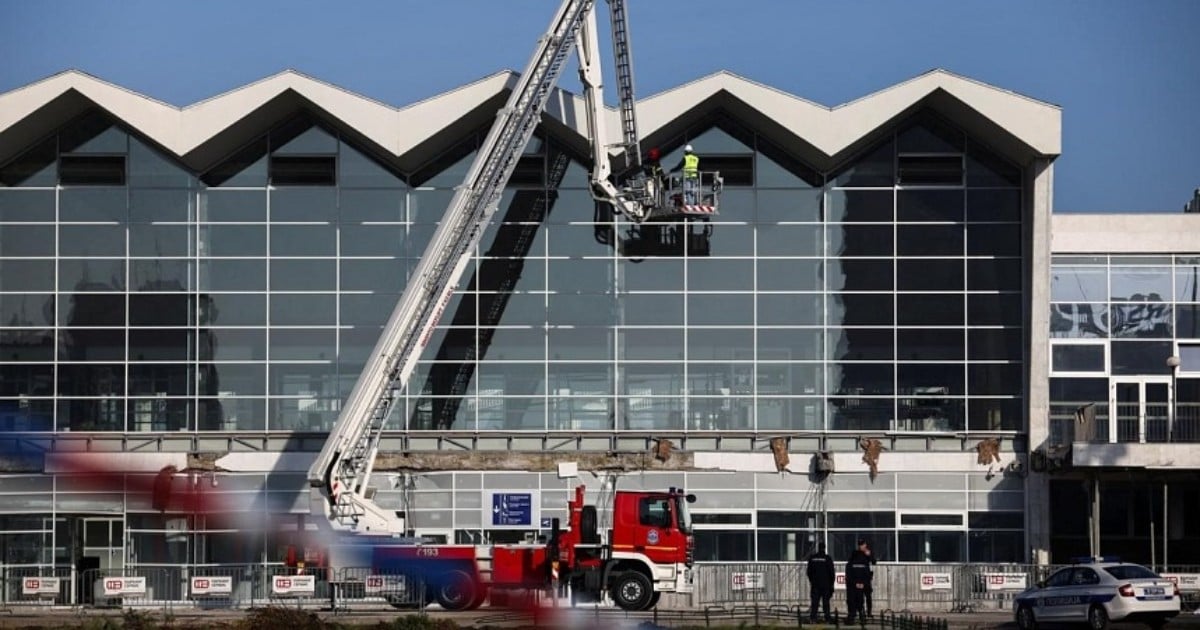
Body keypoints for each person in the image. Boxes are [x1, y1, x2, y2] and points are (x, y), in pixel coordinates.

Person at [845, 538, 873, 625]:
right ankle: (862, 616)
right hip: (861, 584)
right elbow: (867, 574)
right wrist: (863, 584)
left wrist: (855, 584)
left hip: (854, 586)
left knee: (853, 601)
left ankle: (854, 617)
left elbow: (848, 576)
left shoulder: (850, 563)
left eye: (862, 544)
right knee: (860, 601)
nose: (861, 546)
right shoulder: (863, 562)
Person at [805, 541, 835, 623]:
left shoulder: (812, 558)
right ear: (824, 548)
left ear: (818, 548)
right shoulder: (827, 558)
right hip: (825, 585)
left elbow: (808, 572)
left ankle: (813, 618)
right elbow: (832, 573)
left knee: (815, 603)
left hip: (815, 584)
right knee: (826, 603)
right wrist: (831, 584)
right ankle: (827, 618)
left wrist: (812, 581)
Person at [863, 540, 878, 618]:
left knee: (868, 596)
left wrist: (869, 555)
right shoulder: (857, 553)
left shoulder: (868, 553)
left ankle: (869, 612)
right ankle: (861, 612)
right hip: (859, 576)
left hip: (866, 577)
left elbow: (874, 562)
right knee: (859, 596)